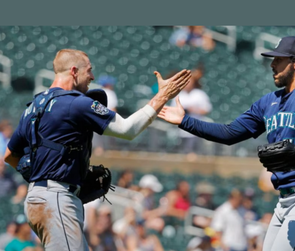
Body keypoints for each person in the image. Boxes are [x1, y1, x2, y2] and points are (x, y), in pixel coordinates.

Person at [158, 36, 295, 251]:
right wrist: (185, 121)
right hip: (286, 200)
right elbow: (229, 133)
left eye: (278, 59)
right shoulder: (269, 102)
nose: (272, 64)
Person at [4, 48, 191, 251]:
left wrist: (42, 177)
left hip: (37, 198)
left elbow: (10, 156)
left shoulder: (33, 106)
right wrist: (162, 96)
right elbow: (127, 129)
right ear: (74, 71)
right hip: (56, 199)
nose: (92, 76)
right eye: (89, 70)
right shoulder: (75, 102)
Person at [170, 64, 212, 156]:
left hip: (196, 128)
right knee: (182, 153)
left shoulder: (199, 94)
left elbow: (207, 109)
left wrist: (193, 110)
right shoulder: (178, 95)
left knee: (195, 154)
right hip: (181, 130)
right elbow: (172, 110)